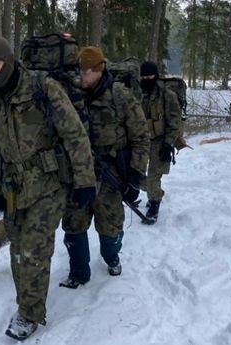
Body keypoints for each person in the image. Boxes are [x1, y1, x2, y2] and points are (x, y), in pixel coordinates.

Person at [0, 36, 95, 341]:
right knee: (17, 247)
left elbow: (75, 135)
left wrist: (85, 181)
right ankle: (26, 299)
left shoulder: (42, 87)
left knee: (33, 249)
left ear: (9, 60)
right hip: (14, 188)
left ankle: (29, 313)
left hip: (49, 183)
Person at [60, 47, 150, 288]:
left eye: (87, 71)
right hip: (78, 174)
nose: (82, 76)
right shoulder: (70, 95)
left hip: (110, 175)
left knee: (110, 226)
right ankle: (79, 271)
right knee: (73, 223)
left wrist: (135, 176)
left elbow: (141, 137)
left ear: (99, 70)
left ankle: (111, 257)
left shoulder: (121, 97)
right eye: (80, 71)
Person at [139, 61, 182, 224]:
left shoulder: (167, 95)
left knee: (153, 177)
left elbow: (174, 121)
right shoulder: (137, 92)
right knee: (135, 175)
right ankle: (153, 193)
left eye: (149, 76)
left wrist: (168, 143)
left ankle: (154, 203)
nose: (146, 79)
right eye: (143, 76)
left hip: (160, 141)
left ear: (155, 76)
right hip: (140, 141)